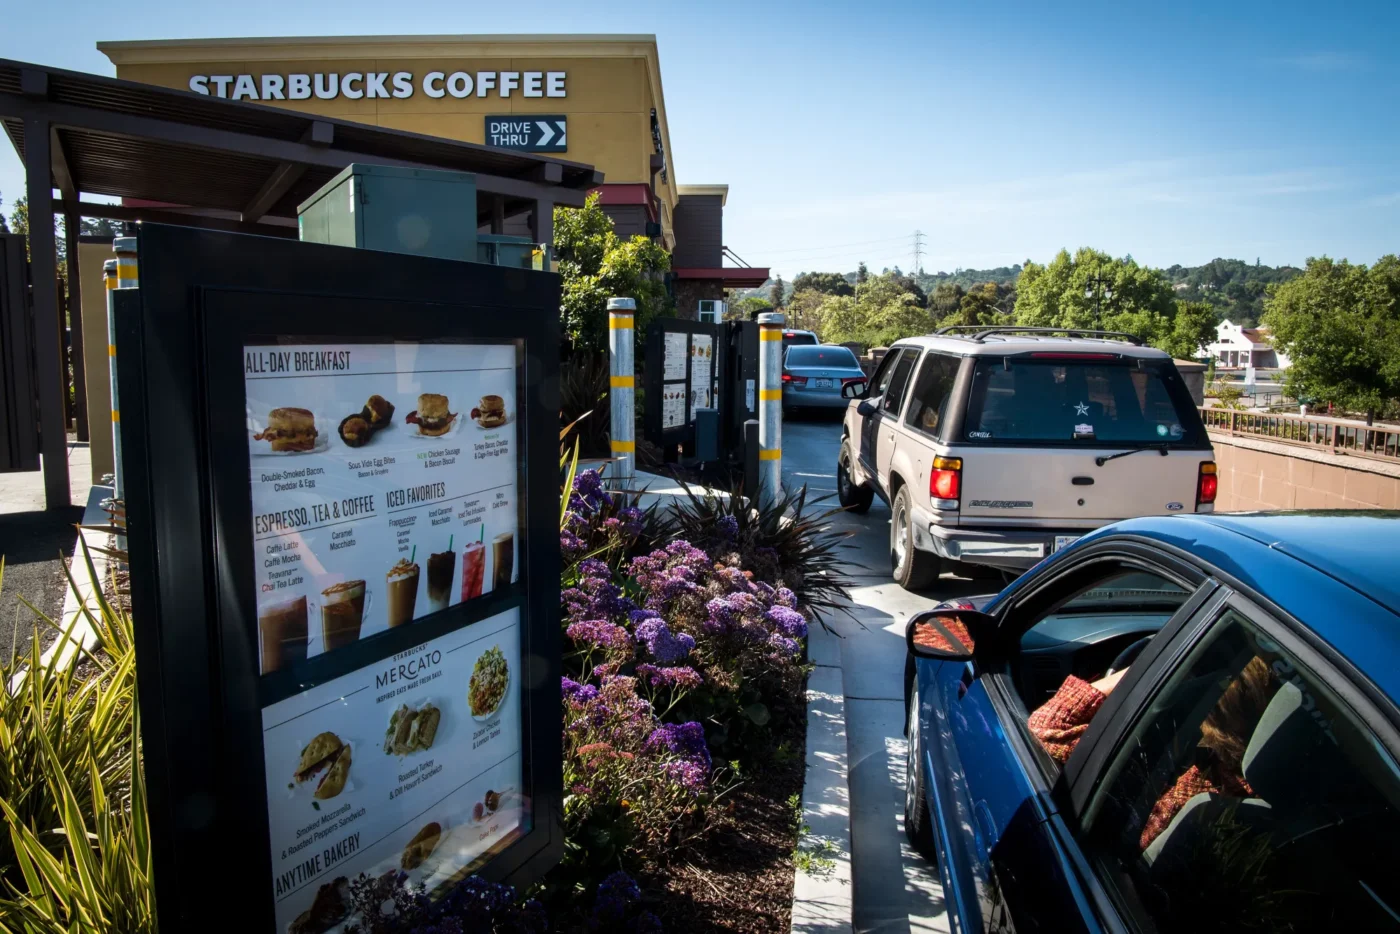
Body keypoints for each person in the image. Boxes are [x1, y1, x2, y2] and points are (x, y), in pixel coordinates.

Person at [1028, 656, 1279, 850]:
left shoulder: (1208, 787)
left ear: (1219, 699)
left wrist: (1154, 666)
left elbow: (1046, 727)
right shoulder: (1265, 790)